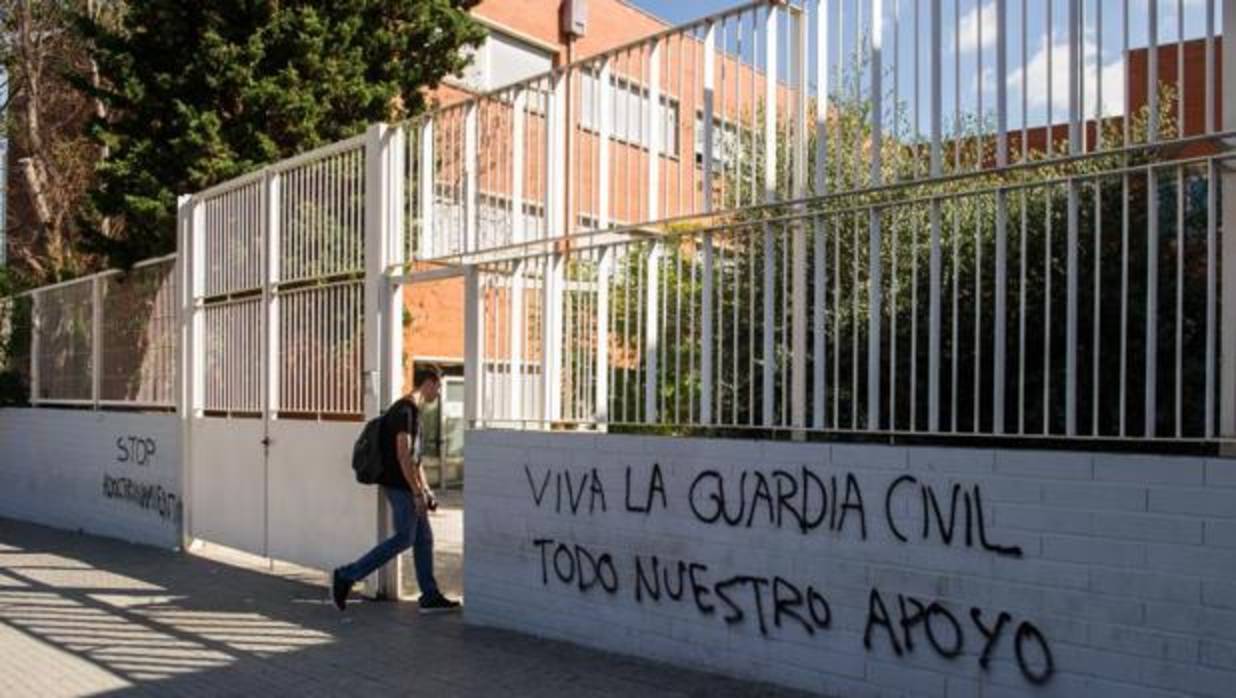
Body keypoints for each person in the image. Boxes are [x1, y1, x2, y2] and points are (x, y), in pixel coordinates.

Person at [331, 369, 460, 613]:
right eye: (438, 387)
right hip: (400, 486)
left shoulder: (413, 412)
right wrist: (416, 492)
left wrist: (426, 490)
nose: (439, 393)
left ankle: (430, 595)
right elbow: (403, 455)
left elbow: (415, 458)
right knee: (405, 538)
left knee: (424, 538)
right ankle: (347, 575)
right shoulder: (405, 411)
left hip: (408, 484)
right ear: (428, 383)